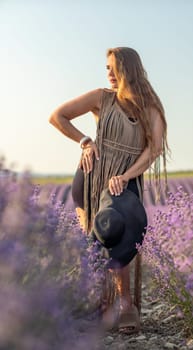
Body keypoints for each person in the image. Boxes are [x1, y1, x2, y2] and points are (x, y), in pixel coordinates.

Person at [49, 47, 169, 333]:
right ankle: (102, 307)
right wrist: (85, 141)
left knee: (118, 240)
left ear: (131, 70)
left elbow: (153, 150)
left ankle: (126, 306)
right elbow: (58, 116)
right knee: (97, 243)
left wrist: (126, 176)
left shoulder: (150, 108)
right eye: (107, 68)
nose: (110, 74)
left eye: (115, 68)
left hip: (122, 184)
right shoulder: (101, 98)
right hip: (89, 180)